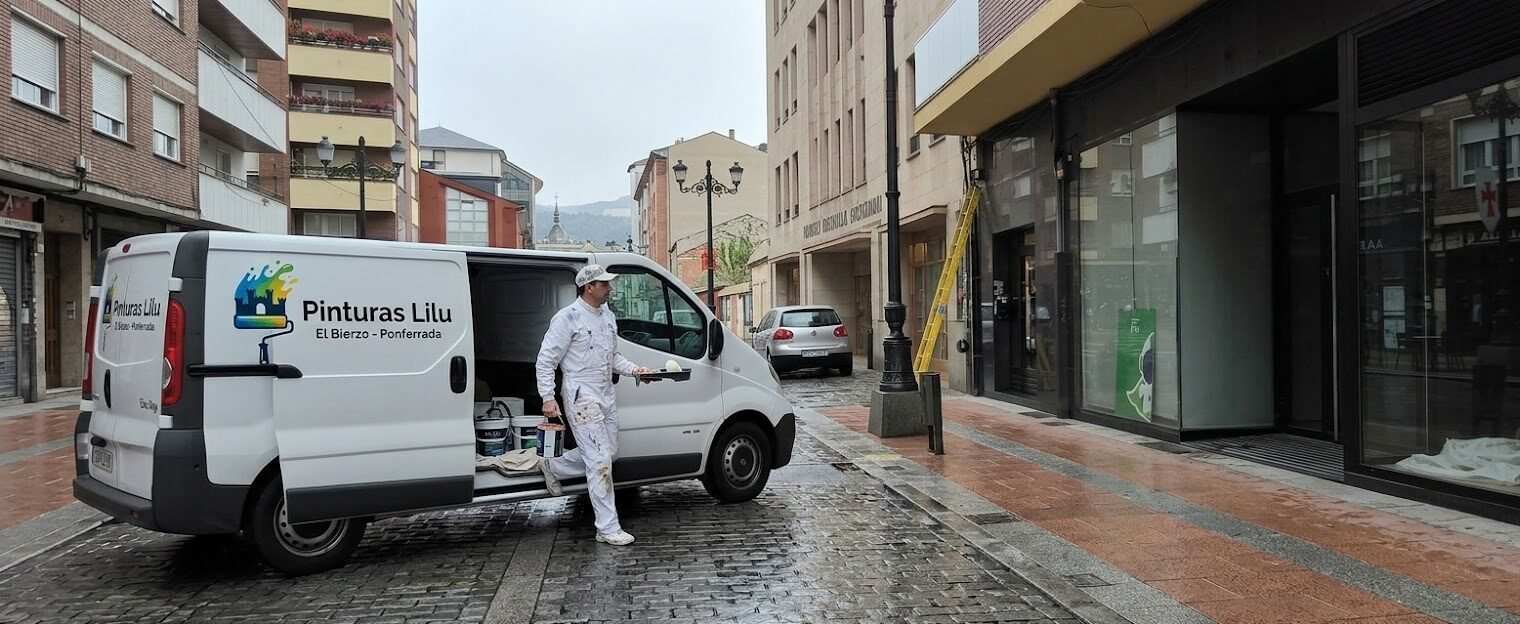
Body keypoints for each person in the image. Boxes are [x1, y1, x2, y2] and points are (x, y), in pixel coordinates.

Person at [535, 264, 651, 546]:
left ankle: (555, 467)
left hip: (604, 391)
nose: (610, 288)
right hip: (580, 394)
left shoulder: (608, 317)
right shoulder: (568, 318)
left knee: (608, 453)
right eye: (604, 284)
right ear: (589, 287)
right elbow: (546, 360)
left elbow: (614, 358)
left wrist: (636, 370)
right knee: (599, 461)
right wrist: (548, 397)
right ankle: (607, 527)